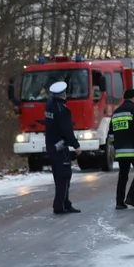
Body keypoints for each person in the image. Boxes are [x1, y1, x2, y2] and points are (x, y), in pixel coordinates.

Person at [43, 80, 81, 214]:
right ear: (64, 94)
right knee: (64, 176)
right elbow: (67, 130)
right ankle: (60, 205)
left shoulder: (49, 107)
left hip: (51, 146)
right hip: (60, 147)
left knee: (58, 176)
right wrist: (76, 145)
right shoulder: (63, 109)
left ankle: (65, 203)